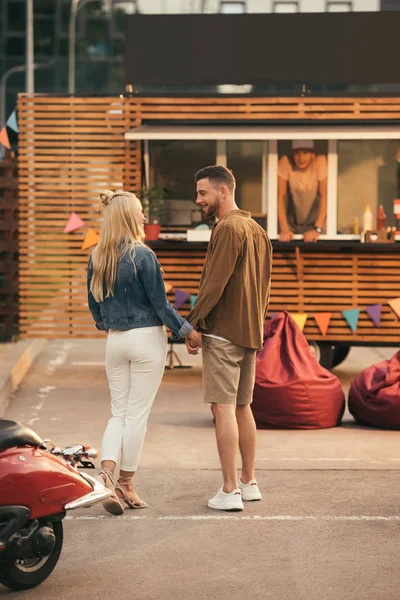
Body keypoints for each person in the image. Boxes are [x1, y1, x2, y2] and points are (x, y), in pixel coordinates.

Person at [87, 189, 202, 515]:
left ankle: (106, 478)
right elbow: (161, 305)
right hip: (146, 338)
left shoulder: (97, 256)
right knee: (136, 416)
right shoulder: (142, 256)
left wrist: (108, 324)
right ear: (127, 216)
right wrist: (187, 331)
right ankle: (126, 482)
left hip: (116, 341)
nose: (143, 218)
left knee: (118, 414)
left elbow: (93, 305)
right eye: (139, 212)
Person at [186, 166, 272, 512]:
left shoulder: (228, 229)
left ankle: (229, 489)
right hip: (249, 332)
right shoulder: (257, 230)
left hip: (222, 333)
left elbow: (214, 284)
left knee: (222, 409)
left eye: (203, 193)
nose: (198, 200)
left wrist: (192, 324)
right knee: (242, 407)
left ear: (224, 191)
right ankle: (249, 483)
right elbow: (264, 288)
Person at [278, 140, 327, 243]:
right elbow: (280, 196)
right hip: (292, 223)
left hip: (316, 223)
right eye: (297, 153)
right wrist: (285, 229)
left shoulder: (320, 162)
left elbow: (325, 196)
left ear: (312, 153)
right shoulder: (286, 162)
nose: (301, 158)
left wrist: (317, 229)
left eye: (305, 153)